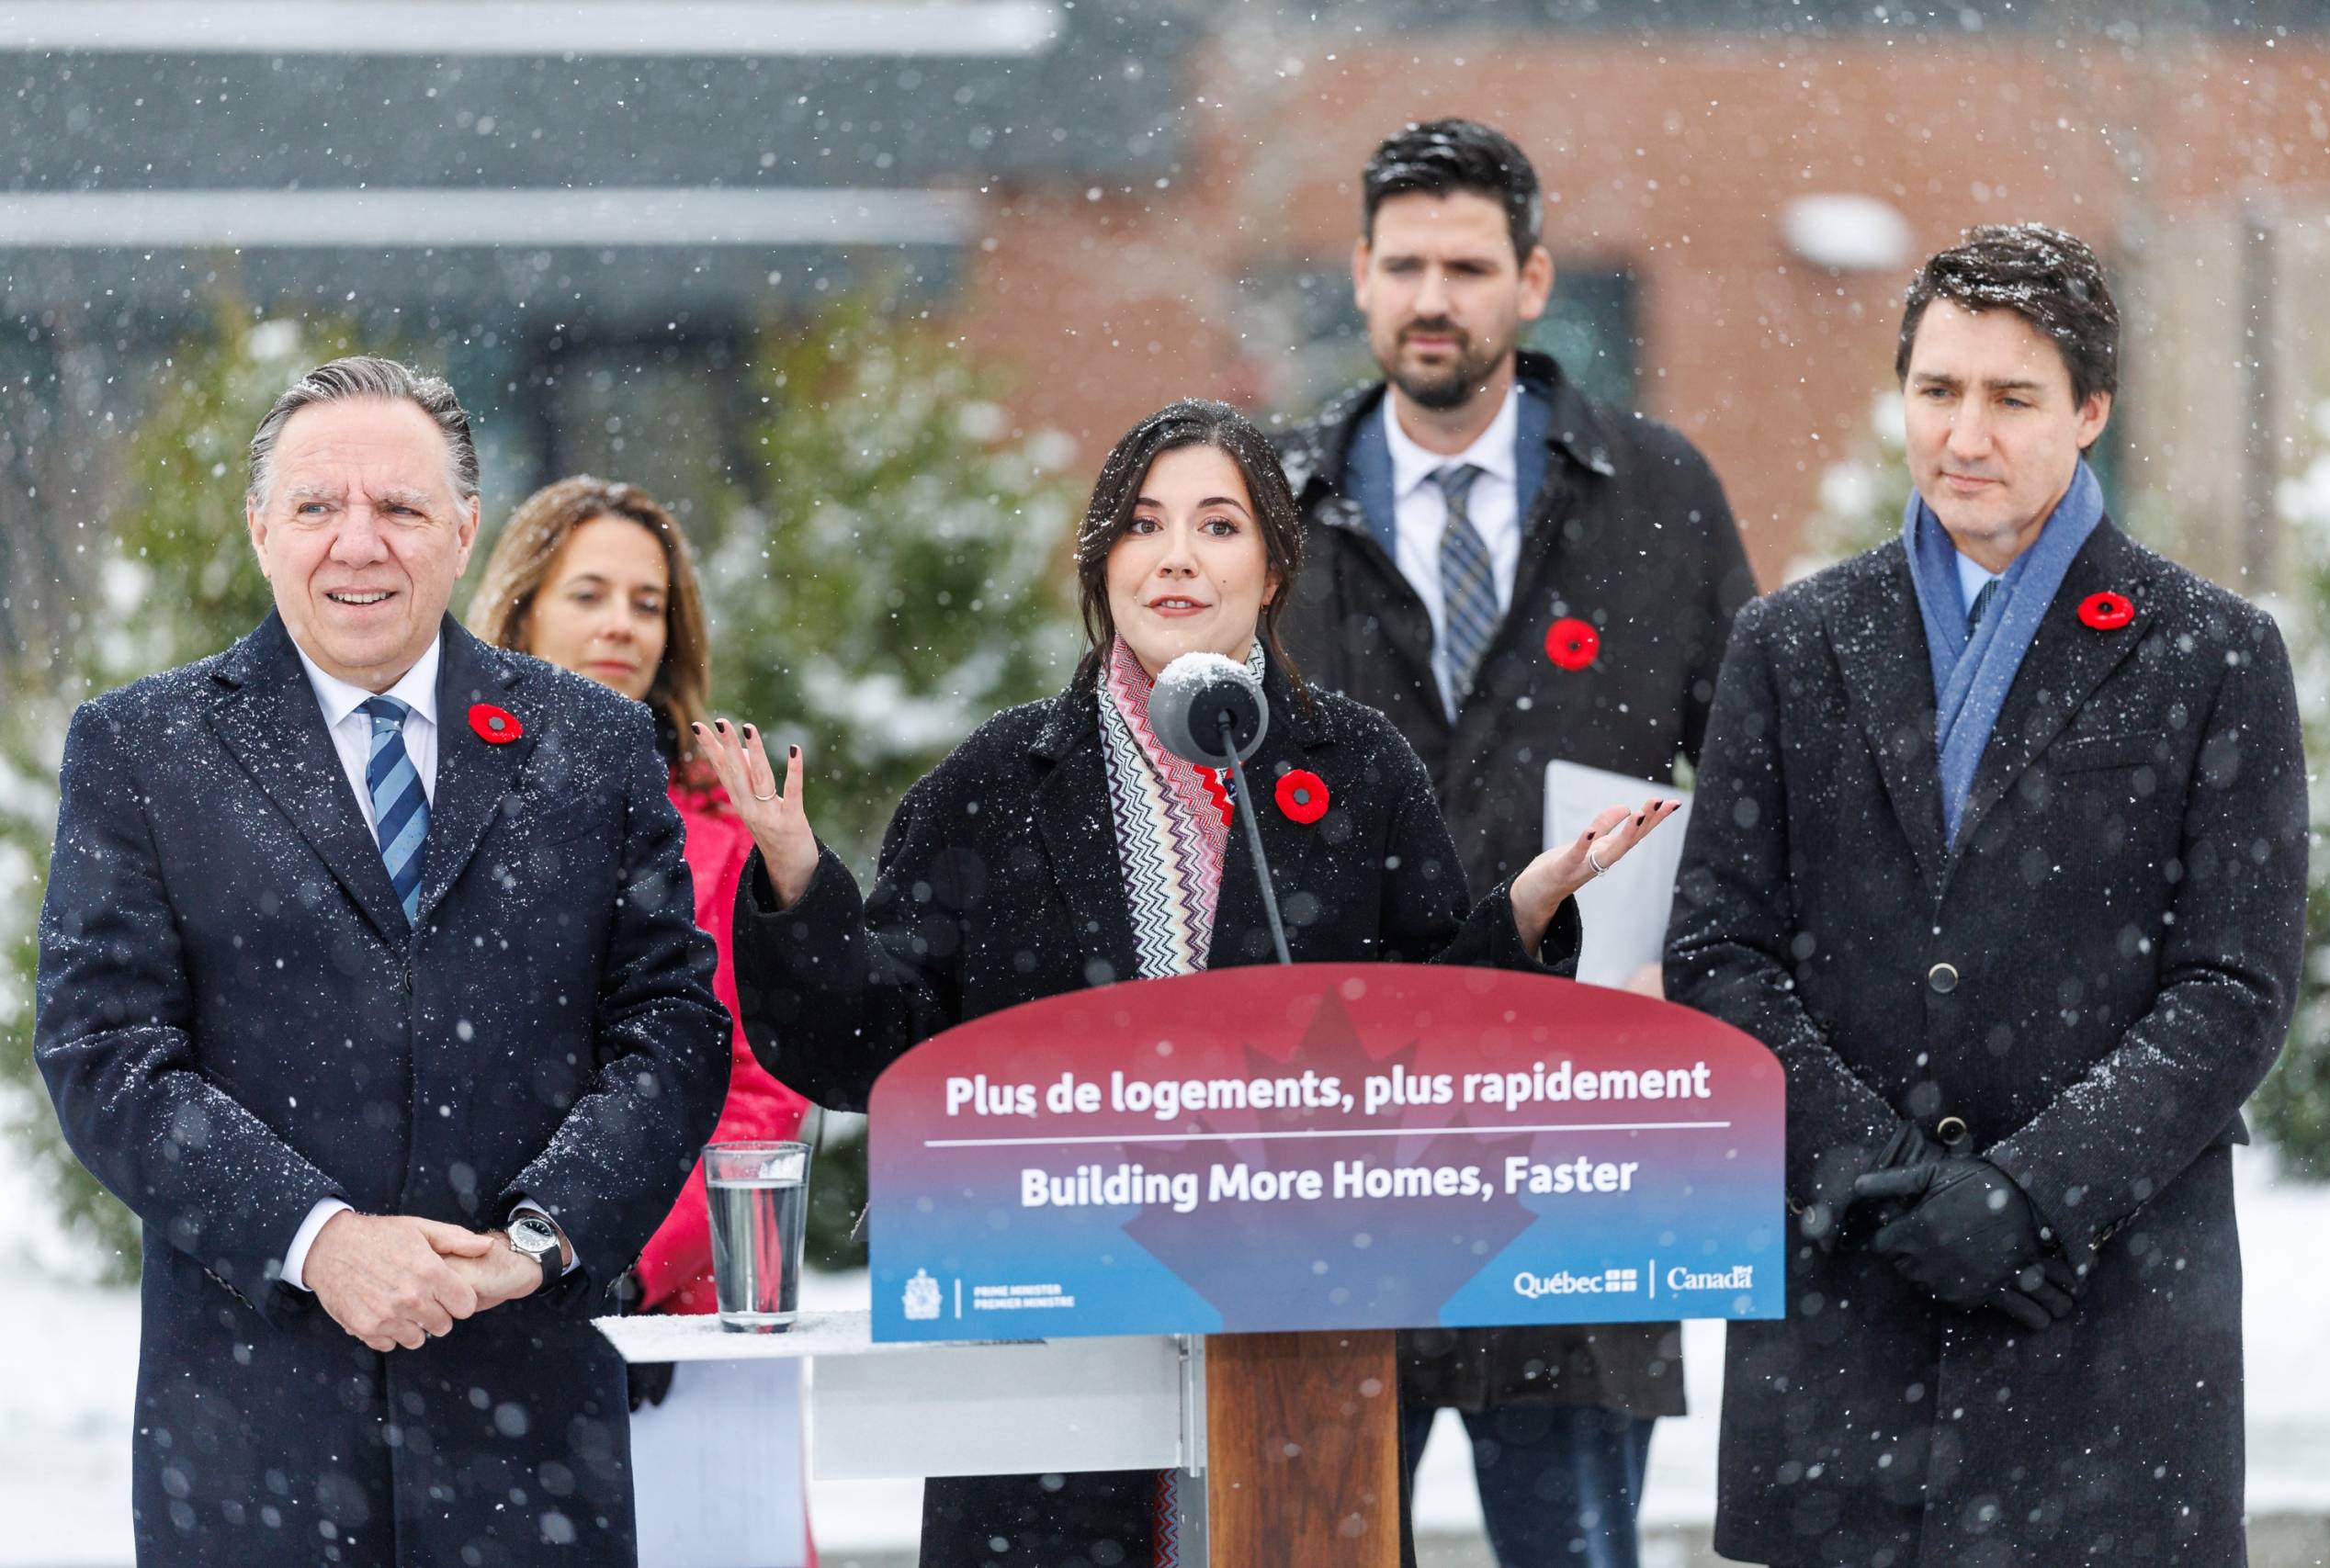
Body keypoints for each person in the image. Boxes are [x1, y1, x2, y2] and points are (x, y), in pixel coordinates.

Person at [704, 398, 1680, 1568]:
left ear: (1272, 568)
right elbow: (876, 1051)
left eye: (1217, 526)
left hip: (1293, 1372)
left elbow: (1430, 1050)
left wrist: (1520, 918)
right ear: (1101, 562)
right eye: (1142, 525)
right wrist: (799, 883)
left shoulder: (1357, 770)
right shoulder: (998, 784)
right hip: (1045, 1375)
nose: (1176, 556)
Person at [1667, 225, 2307, 1567]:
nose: (1967, 432)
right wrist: (1877, 1170)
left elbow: (2233, 983)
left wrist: (2031, 1189)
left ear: (2088, 411)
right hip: (1850, 1294)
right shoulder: (1788, 643)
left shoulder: (2212, 652)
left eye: (2011, 397)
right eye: (1937, 390)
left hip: (2105, 1304)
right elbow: (1719, 944)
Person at [35, 356, 732, 1566]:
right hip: (256, 1437)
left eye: (401, 507)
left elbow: (671, 1026)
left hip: (528, 1436)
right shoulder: (143, 748)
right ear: (260, 527)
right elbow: (107, 1052)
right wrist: (322, 1236)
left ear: (464, 529)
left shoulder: (592, 743)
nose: (359, 541)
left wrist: (539, 1238)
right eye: (316, 505)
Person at [1275, 116, 1757, 1568]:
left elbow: (1752, 782)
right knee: (1319, 1537)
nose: (1435, 296)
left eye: (1468, 265)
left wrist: (1698, 971)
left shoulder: (1659, 496)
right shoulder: (1264, 514)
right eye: (1405, 263)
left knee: (1574, 1541)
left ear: (1534, 279)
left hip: (1582, 1132)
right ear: (1358, 277)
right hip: (1316, 1133)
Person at [468, 475, 817, 1565]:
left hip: (685, 1318)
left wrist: (617, 1254)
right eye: (590, 593)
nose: (622, 622)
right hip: (472, 1303)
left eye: (648, 600)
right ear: (521, 605)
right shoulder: (433, 804)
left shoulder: (724, 828)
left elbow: (758, 1086)